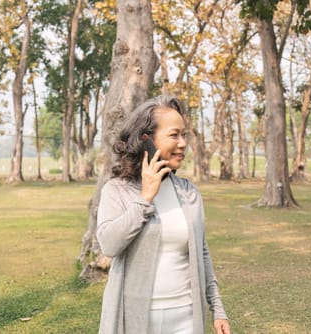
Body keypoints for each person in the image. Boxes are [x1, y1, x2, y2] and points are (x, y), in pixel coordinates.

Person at [97, 95, 231, 334]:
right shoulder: (116, 190)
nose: (182, 143)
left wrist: (217, 308)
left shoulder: (188, 192)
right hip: (135, 319)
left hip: (186, 318)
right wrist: (146, 197)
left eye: (184, 135)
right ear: (146, 140)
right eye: (174, 135)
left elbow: (201, 252)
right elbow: (109, 245)